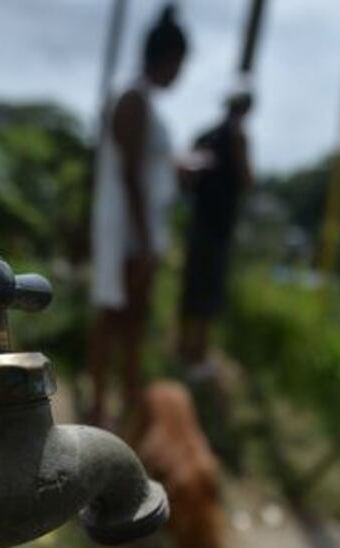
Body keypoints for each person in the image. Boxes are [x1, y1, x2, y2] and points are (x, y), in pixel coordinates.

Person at [88, 5, 189, 429]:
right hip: (129, 236)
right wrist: (146, 240)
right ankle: (101, 405)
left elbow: (145, 169)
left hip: (140, 232)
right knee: (116, 318)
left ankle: (126, 401)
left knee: (131, 320)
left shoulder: (143, 102)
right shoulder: (132, 100)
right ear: (168, 59)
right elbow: (130, 175)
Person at [178, 87, 255, 370]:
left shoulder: (205, 136)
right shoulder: (237, 137)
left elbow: (185, 179)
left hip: (199, 224)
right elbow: (248, 180)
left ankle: (183, 350)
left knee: (192, 290)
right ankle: (196, 356)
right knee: (208, 296)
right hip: (218, 228)